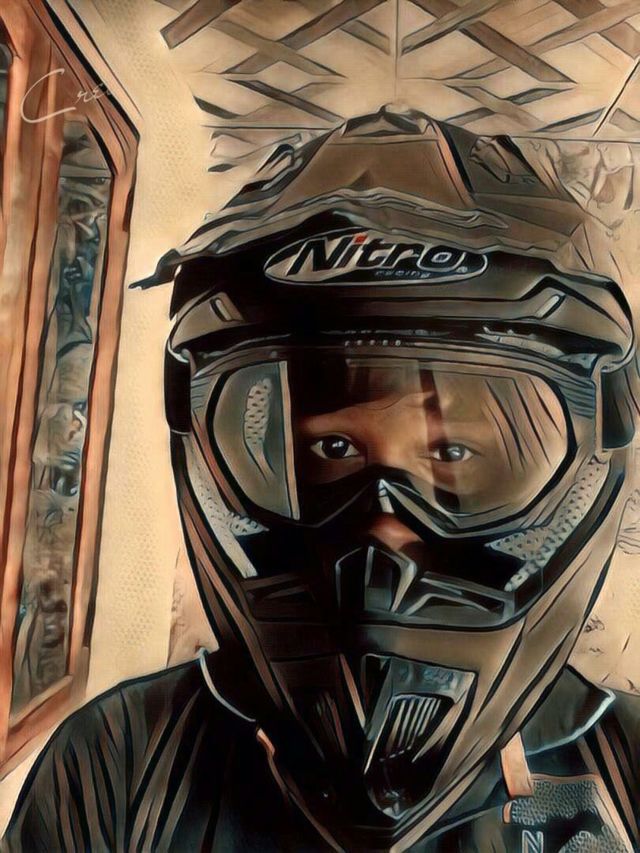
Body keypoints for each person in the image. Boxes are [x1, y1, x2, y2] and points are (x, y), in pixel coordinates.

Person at [4, 106, 640, 852]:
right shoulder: (116, 761)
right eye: (334, 450)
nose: (384, 535)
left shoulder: (627, 768)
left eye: (451, 457)